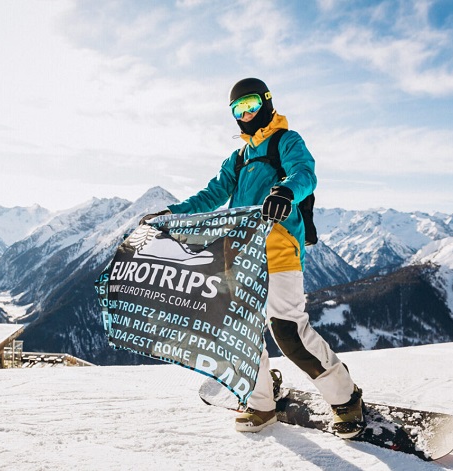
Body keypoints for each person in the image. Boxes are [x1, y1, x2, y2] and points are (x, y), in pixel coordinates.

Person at [141, 78, 364, 437]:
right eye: (238, 109)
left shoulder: (286, 141)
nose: (245, 114)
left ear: (267, 102)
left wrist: (285, 192)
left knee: (288, 332)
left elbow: (304, 173)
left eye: (251, 105)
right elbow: (211, 195)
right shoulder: (239, 158)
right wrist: (172, 214)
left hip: (279, 250)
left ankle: (346, 399)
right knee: (240, 334)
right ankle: (261, 403)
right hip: (240, 255)